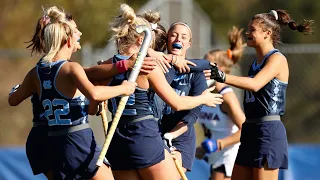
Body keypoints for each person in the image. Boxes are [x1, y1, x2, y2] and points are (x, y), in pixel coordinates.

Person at [8, 6, 137, 180]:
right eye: (75, 31)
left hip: (54, 142)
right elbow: (94, 93)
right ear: (67, 40)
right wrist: (124, 88)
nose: (80, 34)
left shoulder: (36, 72)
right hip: (77, 138)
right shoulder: (71, 68)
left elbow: (13, 100)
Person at [104, 4, 223, 180]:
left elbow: (192, 115)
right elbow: (176, 101)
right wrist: (202, 98)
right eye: (174, 35)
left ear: (189, 43)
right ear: (165, 40)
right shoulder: (154, 65)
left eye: (184, 37)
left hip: (175, 138)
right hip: (150, 135)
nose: (178, 39)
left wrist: (172, 135)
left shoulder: (109, 66)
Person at [210, 9, 314, 180]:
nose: (248, 33)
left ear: (267, 33)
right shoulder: (255, 62)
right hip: (250, 131)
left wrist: (223, 77)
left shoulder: (277, 59)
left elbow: (255, 84)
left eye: (252, 30)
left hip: (268, 132)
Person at [196, 26, 246, 180]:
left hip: (229, 157)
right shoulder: (205, 93)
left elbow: (246, 129)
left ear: (220, 69)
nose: (201, 69)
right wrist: (204, 149)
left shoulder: (227, 97)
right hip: (215, 157)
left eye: (207, 65)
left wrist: (219, 144)